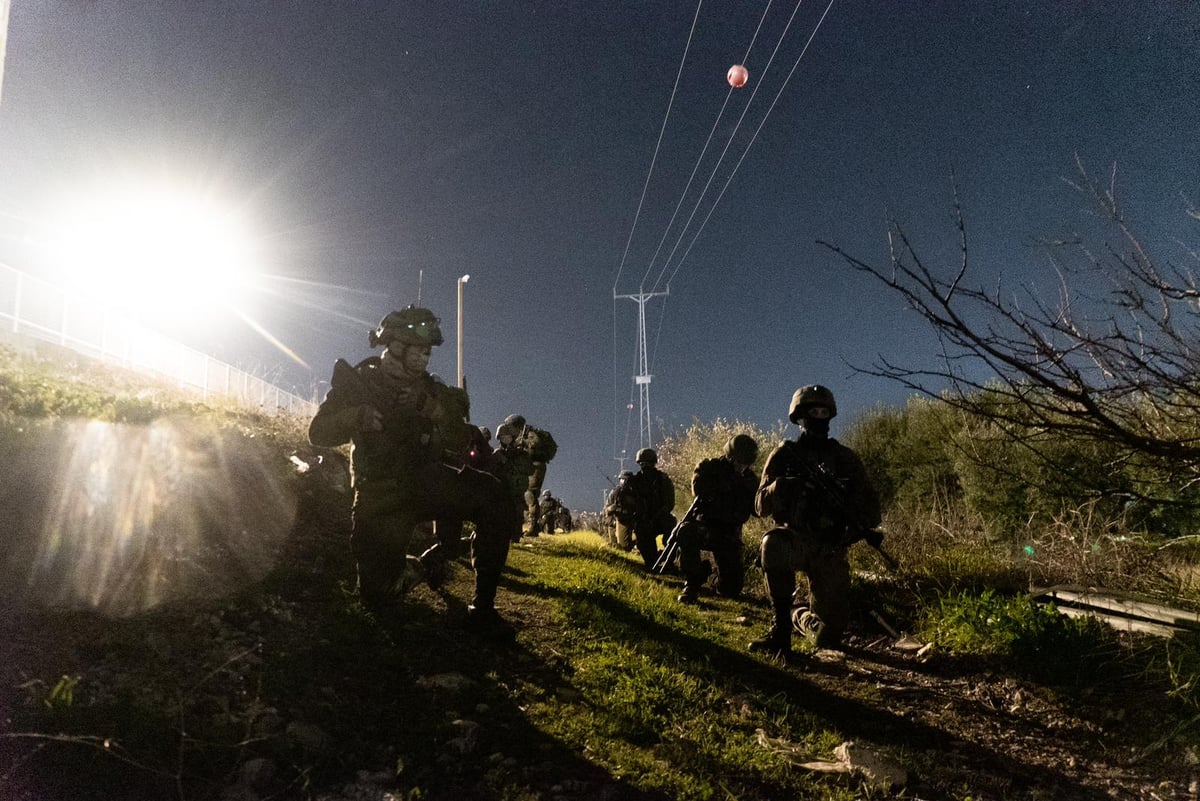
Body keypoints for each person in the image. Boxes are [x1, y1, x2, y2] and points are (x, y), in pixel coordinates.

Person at [307, 306, 520, 635]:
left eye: (427, 351)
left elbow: (464, 437)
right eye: (418, 350)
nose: (425, 357)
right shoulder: (360, 382)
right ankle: (422, 566)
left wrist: (431, 409)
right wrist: (356, 417)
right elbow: (318, 432)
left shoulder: (433, 390)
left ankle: (482, 609)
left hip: (425, 481)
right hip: (380, 495)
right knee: (377, 596)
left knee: (494, 497)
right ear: (394, 346)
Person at [749, 385, 881, 657]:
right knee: (772, 543)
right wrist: (782, 487)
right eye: (812, 412)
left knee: (826, 637)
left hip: (831, 547)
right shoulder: (784, 454)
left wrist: (852, 530)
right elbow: (759, 505)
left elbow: (871, 509)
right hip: (795, 539)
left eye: (823, 412)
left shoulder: (845, 459)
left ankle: (798, 614)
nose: (819, 417)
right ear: (800, 416)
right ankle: (781, 628)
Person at [674, 434, 759, 604]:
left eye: (745, 464)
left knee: (730, 590)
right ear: (730, 457)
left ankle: (711, 577)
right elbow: (698, 488)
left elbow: (757, 510)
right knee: (686, 531)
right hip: (704, 525)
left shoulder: (750, 480)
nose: (741, 467)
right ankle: (692, 581)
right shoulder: (710, 467)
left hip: (729, 534)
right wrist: (726, 483)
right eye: (738, 462)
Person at [503, 414, 558, 535]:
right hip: (528, 466)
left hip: (535, 465)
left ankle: (534, 528)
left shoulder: (529, 433)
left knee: (530, 494)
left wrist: (523, 443)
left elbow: (535, 444)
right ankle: (521, 527)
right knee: (523, 495)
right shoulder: (521, 434)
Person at [627, 448, 676, 570]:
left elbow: (669, 503)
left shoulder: (662, 480)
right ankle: (653, 561)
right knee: (642, 535)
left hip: (660, 518)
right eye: (643, 464)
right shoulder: (635, 481)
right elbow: (629, 504)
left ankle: (668, 559)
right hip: (643, 520)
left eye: (647, 464)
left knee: (673, 531)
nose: (645, 467)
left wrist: (659, 514)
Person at [491, 422, 535, 540]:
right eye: (503, 437)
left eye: (508, 436)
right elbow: (491, 470)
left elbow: (530, 470)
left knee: (516, 514)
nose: (506, 439)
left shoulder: (521, 454)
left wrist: (517, 459)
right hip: (501, 489)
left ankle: (515, 537)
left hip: (516, 490)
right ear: (499, 438)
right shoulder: (497, 454)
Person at [604, 470, 637, 549]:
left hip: (633, 520)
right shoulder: (615, 493)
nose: (624, 482)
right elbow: (607, 510)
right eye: (622, 480)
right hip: (621, 520)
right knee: (624, 546)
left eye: (626, 480)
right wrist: (612, 508)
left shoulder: (635, 493)